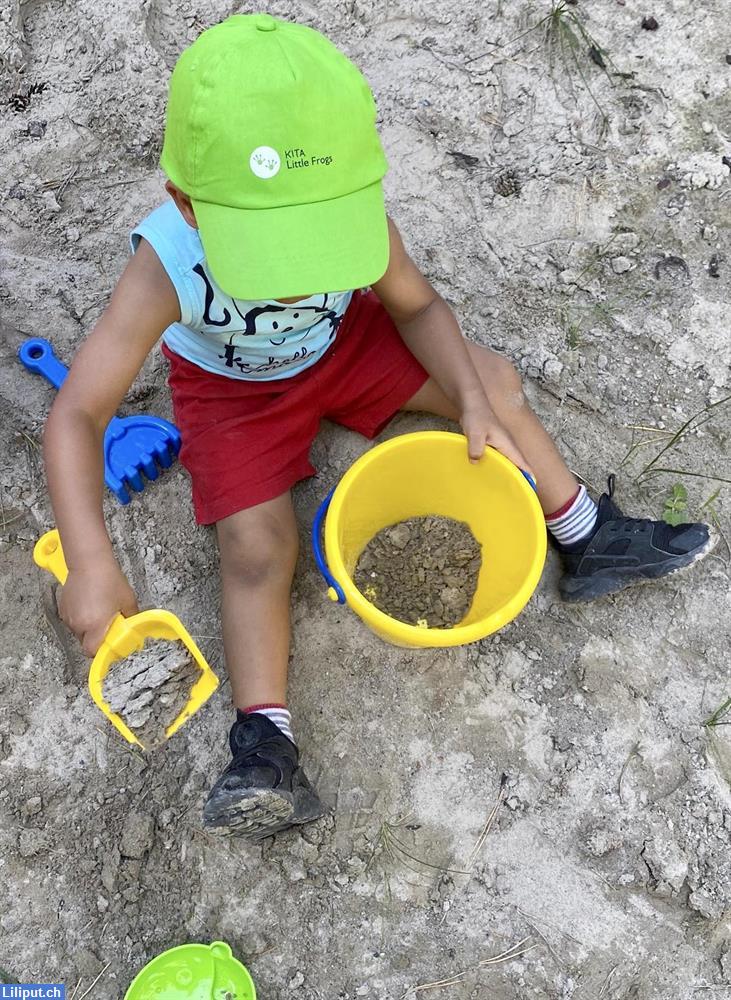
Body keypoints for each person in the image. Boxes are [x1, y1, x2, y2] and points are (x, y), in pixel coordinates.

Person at [43, 14, 711, 840]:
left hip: (344, 347)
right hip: (231, 392)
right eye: (268, 254)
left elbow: (419, 305)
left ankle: (584, 532)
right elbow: (76, 414)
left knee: (496, 382)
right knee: (256, 548)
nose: (291, 282)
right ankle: (265, 742)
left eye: (312, 246)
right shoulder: (165, 264)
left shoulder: (357, 218)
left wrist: (467, 396)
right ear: (188, 202)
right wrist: (90, 561)